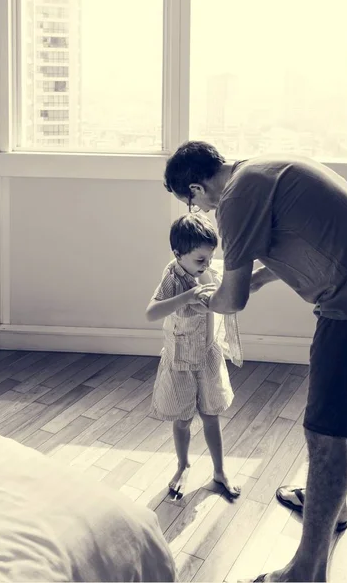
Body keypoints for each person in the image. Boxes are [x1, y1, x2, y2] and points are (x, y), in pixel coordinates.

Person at [163, 141, 347, 582]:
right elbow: (301, 236)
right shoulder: (261, 169)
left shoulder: (234, 200)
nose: (195, 210)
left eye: (189, 200)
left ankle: (305, 572)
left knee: (325, 434)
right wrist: (257, 279)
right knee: (341, 420)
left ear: (196, 188)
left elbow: (230, 300)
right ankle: (333, 505)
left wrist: (203, 302)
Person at [145, 213, 242, 499]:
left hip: (208, 356)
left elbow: (235, 278)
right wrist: (187, 297)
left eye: (210, 258)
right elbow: (151, 312)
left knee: (211, 416)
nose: (207, 264)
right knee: (184, 419)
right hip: (181, 360)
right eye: (200, 260)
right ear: (178, 254)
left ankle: (220, 470)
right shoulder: (173, 278)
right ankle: (183, 465)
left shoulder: (209, 271)